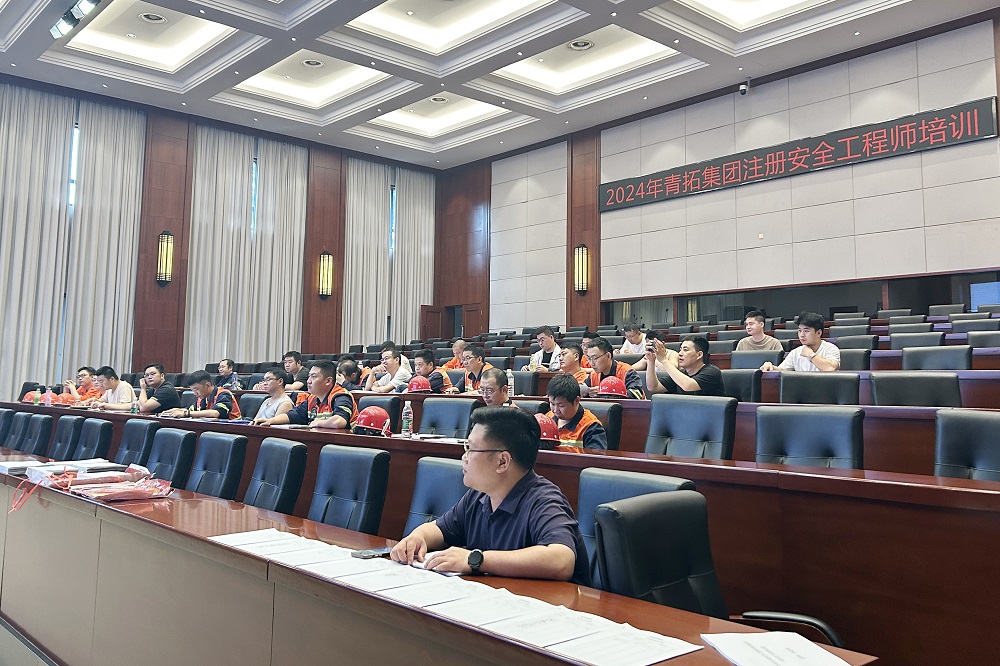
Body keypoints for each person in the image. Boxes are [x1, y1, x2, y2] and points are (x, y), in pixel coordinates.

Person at [390, 406, 590, 585]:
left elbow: (561, 560)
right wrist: (417, 537)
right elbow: (439, 529)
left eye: (471, 449)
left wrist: (476, 560)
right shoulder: (478, 496)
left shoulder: (544, 500)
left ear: (503, 462)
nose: (464, 457)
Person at [253, 360, 357, 429]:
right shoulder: (312, 398)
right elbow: (292, 415)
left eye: (313, 377)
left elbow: (339, 421)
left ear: (328, 381)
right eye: (309, 376)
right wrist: (269, 421)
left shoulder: (341, 396)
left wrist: (317, 423)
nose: (308, 381)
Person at [645, 335, 725, 396]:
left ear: (699, 355)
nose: (680, 354)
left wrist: (664, 360)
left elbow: (688, 386)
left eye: (685, 350)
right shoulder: (681, 373)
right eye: (680, 349)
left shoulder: (712, 371)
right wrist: (651, 361)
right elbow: (653, 387)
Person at [761, 311, 841, 372]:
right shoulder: (795, 352)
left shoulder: (831, 349)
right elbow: (781, 370)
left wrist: (811, 355)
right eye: (799, 331)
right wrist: (771, 367)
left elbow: (831, 368)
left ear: (818, 333)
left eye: (806, 331)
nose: (802, 335)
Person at [545, 374, 607, 450]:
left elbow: (596, 456)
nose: (555, 410)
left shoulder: (591, 426)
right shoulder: (548, 418)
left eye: (561, 406)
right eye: (552, 404)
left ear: (576, 401)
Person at [580, 337, 645, 399]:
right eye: (589, 358)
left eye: (595, 358)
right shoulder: (593, 375)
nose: (592, 363)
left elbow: (637, 394)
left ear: (608, 356)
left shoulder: (626, 371)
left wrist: (605, 391)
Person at [164, 371, 242, 419]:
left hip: (233, 430)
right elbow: (191, 410)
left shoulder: (223, 394)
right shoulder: (202, 398)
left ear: (207, 385)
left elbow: (215, 413)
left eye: (196, 389)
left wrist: (186, 413)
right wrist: (174, 411)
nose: (195, 393)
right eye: (193, 390)